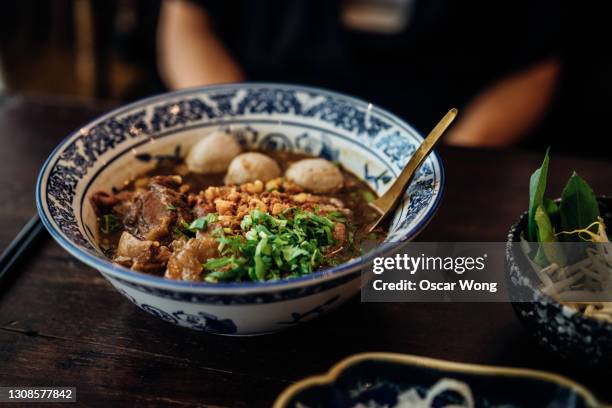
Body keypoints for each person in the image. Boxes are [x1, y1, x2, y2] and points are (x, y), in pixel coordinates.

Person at [157, 0, 560, 147]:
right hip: (254, 117)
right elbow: (188, 21)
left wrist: (439, 164)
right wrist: (239, 131)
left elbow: (533, 66)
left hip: (440, 138)